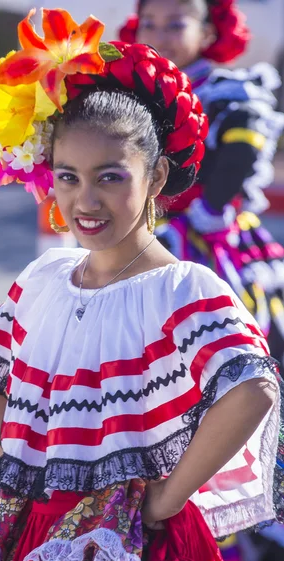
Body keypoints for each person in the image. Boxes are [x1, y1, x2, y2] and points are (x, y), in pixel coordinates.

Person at [0, 7, 284, 561]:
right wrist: (24, 457)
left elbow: (253, 388)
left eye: (110, 177)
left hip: (130, 546)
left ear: (155, 178)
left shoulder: (183, 286)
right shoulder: (48, 274)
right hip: (37, 528)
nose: (85, 199)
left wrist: (166, 497)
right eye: (68, 176)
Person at [119, 0, 284, 372]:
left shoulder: (226, 91)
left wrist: (211, 209)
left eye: (175, 25)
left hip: (205, 237)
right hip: (134, 237)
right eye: (149, 24)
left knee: (222, 351)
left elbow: (241, 152)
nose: (160, 36)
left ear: (207, 33)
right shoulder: (125, 92)